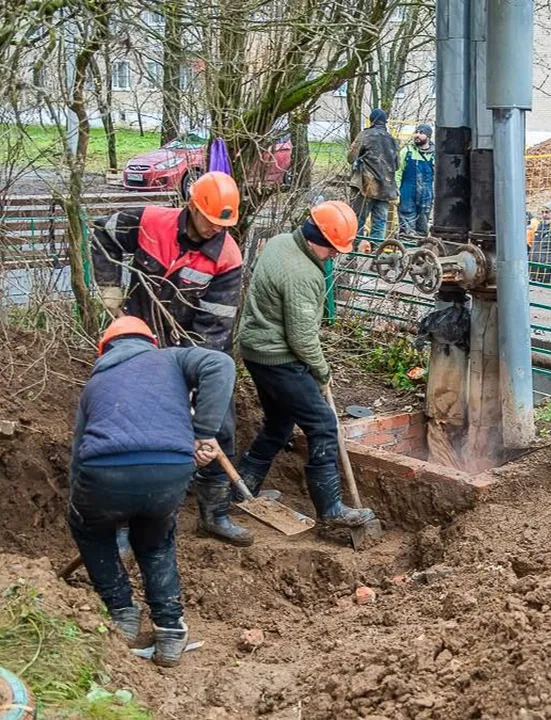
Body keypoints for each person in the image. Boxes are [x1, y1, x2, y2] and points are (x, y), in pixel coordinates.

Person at [90, 170, 252, 547]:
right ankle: (125, 524)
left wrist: (193, 388)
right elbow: (103, 232)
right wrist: (111, 286)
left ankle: (215, 514)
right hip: (138, 339)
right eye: (211, 221)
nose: (216, 230)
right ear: (192, 206)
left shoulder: (226, 257)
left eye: (223, 224)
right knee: (134, 429)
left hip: (193, 345)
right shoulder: (150, 222)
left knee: (220, 424)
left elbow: (214, 329)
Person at [69, 316, 236, 667]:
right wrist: (204, 432)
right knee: (155, 541)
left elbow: (78, 454)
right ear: (150, 342)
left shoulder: (95, 382)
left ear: (105, 350)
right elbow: (220, 363)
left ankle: (122, 612)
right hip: (169, 468)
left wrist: (85, 505)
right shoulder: (172, 359)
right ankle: (171, 630)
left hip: (103, 471)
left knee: (89, 528)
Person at [235, 200, 377, 529]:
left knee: (279, 423)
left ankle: (242, 486)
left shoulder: (282, 242)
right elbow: (301, 338)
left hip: (256, 350)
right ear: (320, 240)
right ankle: (330, 510)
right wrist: (321, 370)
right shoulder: (302, 274)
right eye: (334, 248)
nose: (336, 255)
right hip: (278, 358)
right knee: (323, 425)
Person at [347, 108, 399, 242]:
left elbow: (351, 157)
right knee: (379, 224)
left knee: (358, 222)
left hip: (366, 187)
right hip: (386, 190)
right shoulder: (392, 140)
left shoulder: (365, 135)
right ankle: (376, 257)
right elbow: (397, 165)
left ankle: (352, 257)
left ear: (371, 120)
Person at [395, 123, 435, 236]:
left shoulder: (434, 155)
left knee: (422, 230)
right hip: (407, 195)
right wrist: (397, 191)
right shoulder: (407, 151)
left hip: (426, 198)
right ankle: (407, 250)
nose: (417, 135)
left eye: (421, 133)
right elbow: (397, 172)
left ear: (428, 136)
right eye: (416, 132)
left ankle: (420, 251)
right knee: (406, 230)